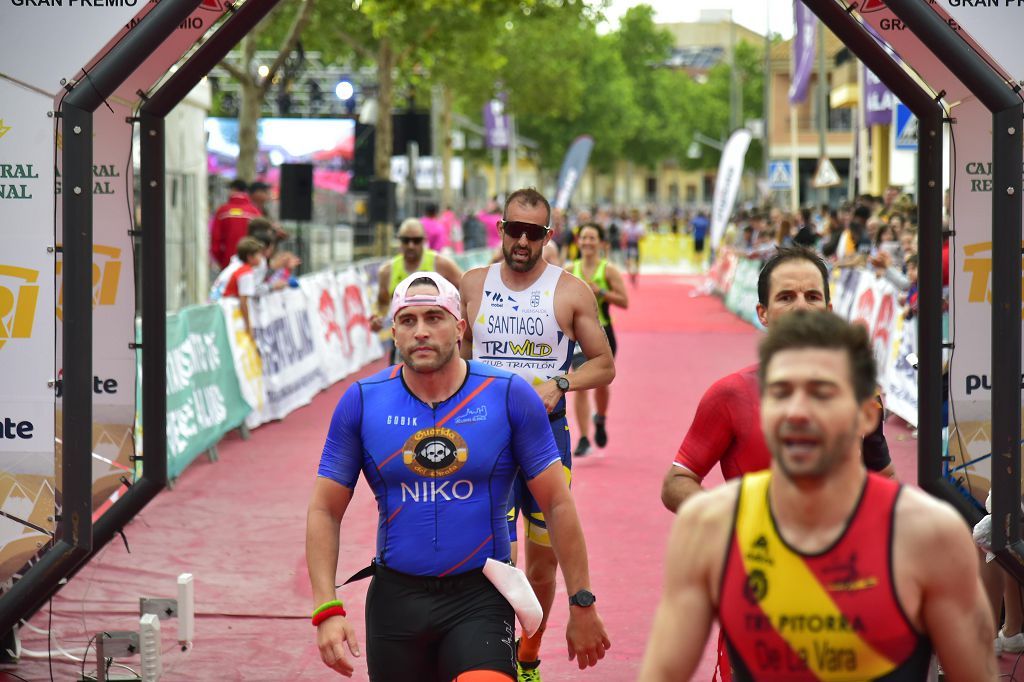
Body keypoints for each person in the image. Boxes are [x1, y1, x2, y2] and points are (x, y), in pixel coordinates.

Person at [640, 311, 996, 681]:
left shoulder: (929, 536)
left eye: (821, 393)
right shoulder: (711, 527)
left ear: (866, 416)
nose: (796, 412)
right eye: (780, 393)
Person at [305, 272, 610, 681]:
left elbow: (556, 502)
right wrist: (327, 608)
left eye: (435, 317)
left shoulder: (507, 395)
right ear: (394, 332)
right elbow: (325, 509)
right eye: (409, 321)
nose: (422, 332)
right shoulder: (362, 402)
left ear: (461, 326)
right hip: (396, 603)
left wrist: (583, 602)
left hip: (480, 599)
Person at [660, 246, 895, 682]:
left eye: (811, 296)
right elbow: (677, 480)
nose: (801, 306)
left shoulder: (862, 396)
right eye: (787, 297)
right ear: (763, 313)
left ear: (828, 307)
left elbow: (887, 486)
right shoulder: (729, 395)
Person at [461, 187, 614, 681]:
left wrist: (561, 382)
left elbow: (604, 364)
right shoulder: (473, 284)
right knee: (489, 559)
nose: (523, 241)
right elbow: (456, 358)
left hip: (544, 438)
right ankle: (489, 656)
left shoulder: (570, 290)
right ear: (500, 229)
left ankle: (528, 655)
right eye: (515, 229)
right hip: (482, 438)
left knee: (543, 566)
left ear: (548, 236)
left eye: (535, 232)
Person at [564, 223, 629, 457]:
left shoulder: (608, 270)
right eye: (584, 237)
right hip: (579, 336)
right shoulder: (570, 269)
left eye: (592, 238)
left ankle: (600, 418)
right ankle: (582, 438)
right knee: (580, 384)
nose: (588, 242)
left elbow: (624, 301)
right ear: (578, 242)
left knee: (601, 383)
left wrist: (601, 292)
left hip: (604, 333)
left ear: (601, 243)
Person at [371, 218, 463, 362]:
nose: (411, 245)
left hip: (436, 337)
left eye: (416, 240)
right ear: (399, 241)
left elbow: (465, 291)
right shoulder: (387, 271)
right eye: (406, 241)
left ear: (424, 240)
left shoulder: (441, 264)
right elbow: (382, 304)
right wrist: (378, 318)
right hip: (405, 341)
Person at [209, 236, 265, 335]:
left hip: (217, 307)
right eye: (258, 255)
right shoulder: (246, 272)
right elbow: (244, 302)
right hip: (226, 310)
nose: (261, 258)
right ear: (250, 257)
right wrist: (248, 326)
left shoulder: (236, 266)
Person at [209, 179, 261, 270]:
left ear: (232, 190)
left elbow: (215, 240)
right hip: (250, 263)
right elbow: (260, 238)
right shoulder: (254, 212)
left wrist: (222, 262)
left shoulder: (222, 211)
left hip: (227, 262)